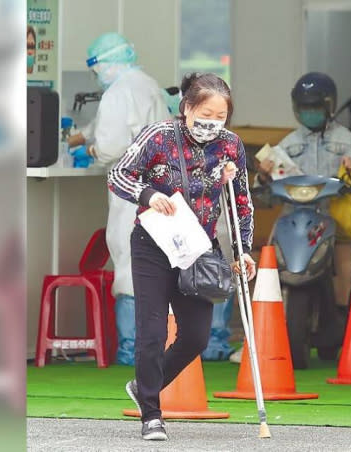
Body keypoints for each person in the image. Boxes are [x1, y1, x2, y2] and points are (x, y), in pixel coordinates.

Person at [108, 72, 256, 441]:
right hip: (154, 245)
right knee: (152, 331)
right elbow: (118, 174)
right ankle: (151, 413)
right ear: (187, 108)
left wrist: (243, 251)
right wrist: (146, 195)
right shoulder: (157, 136)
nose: (213, 124)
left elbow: (242, 203)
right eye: (206, 113)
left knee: (196, 337)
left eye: (221, 117)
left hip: (198, 248)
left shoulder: (230, 146)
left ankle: (145, 386)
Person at [66, 32, 170, 366]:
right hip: (160, 186)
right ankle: (158, 343)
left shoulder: (116, 93)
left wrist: (92, 150)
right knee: (157, 262)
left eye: (96, 69)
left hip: (130, 188)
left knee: (127, 258)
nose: (97, 76)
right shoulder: (149, 85)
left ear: (106, 64)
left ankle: (130, 348)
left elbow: (109, 147)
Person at [255, 72, 351, 355]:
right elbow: (264, 192)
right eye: (304, 108)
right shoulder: (288, 144)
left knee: (343, 255)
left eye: (315, 107)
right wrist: (264, 176)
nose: (309, 113)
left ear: (329, 106)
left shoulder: (347, 141)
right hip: (295, 213)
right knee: (270, 250)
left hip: (332, 213)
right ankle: (258, 331)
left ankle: (341, 310)